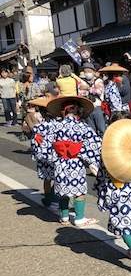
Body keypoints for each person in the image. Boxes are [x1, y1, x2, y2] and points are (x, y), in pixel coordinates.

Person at [95, 117, 131, 270]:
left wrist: (100, 190)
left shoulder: (109, 150)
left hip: (119, 190)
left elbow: (102, 173)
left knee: (123, 224)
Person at [43, 96, 102, 227]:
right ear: (78, 112)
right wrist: (90, 160)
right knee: (79, 191)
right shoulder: (83, 127)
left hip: (60, 162)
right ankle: (79, 218)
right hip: (75, 163)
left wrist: (55, 157)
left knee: (62, 189)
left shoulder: (55, 126)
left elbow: (46, 147)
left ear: (64, 111)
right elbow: (94, 146)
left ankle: (64, 217)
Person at [28, 97, 58, 209]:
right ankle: (55, 196)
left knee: (47, 178)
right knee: (58, 177)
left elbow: (34, 143)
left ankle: (48, 198)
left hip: (43, 156)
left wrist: (35, 155)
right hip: (55, 155)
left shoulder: (38, 127)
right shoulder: (58, 126)